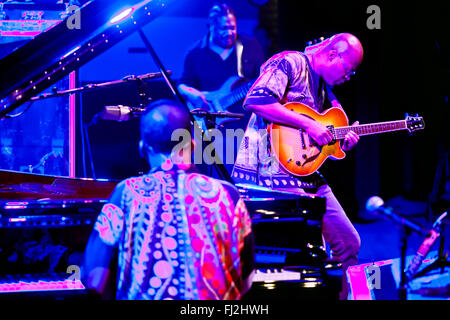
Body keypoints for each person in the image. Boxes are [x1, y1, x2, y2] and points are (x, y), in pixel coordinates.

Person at [232, 33, 363, 300]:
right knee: (305, 254)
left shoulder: (325, 89)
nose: (348, 77)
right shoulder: (289, 62)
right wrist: (308, 124)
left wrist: (342, 142)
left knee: (348, 243)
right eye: (348, 71)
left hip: (304, 175)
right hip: (266, 174)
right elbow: (255, 101)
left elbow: (325, 143)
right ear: (332, 55)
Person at [82, 99, 254, 300]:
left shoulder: (126, 193)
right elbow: (246, 280)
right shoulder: (228, 194)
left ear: (142, 148)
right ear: (192, 144)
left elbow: (95, 280)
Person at [177, 3, 265, 176]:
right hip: (214, 133)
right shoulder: (195, 53)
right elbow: (182, 85)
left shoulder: (250, 45)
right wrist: (193, 94)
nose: (229, 32)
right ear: (210, 27)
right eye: (223, 28)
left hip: (246, 129)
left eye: (232, 27)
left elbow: (263, 80)